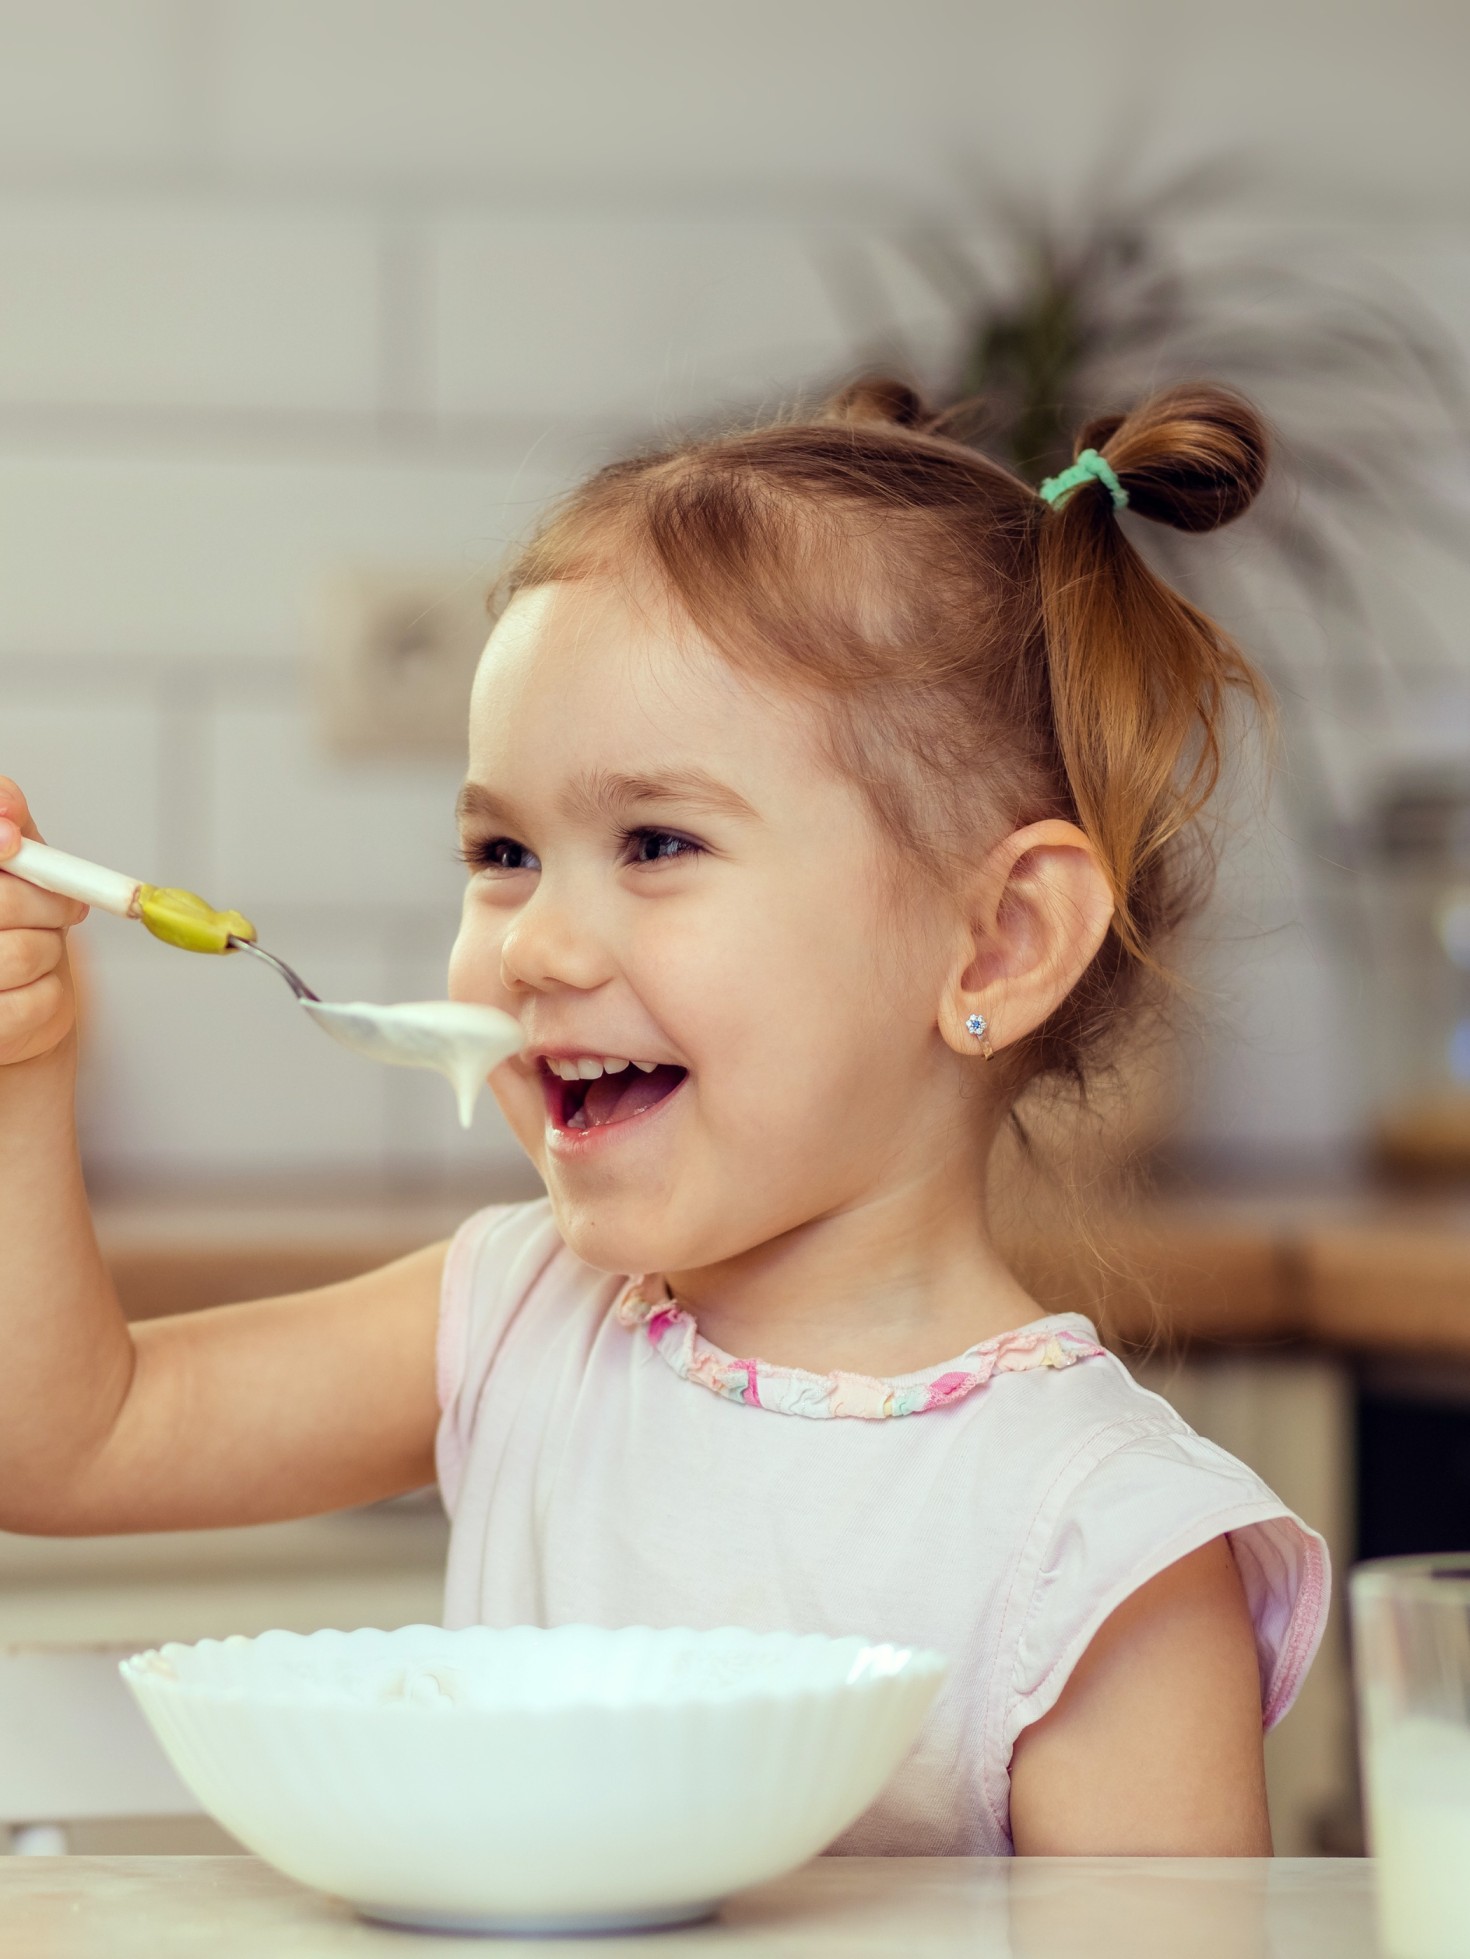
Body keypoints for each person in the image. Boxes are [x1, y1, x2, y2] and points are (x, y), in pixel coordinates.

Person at [0, 379, 1327, 1856]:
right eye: (503, 850)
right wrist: (14, 1079)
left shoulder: (1101, 1554)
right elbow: (62, 1443)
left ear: (998, 942)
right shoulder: (514, 1323)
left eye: (654, 842)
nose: (536, 948)